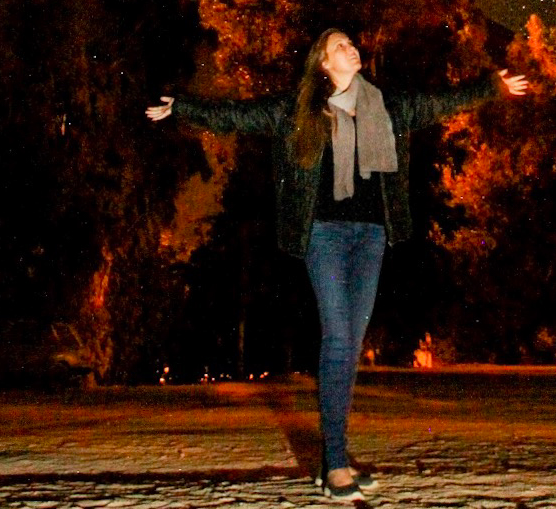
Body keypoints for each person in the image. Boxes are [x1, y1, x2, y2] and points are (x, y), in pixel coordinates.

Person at [147, 28, 527, 502]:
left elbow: (438, 103)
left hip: (370, 235)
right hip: (323, 234)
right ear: (324, 63)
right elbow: (237, 116)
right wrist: (182, 108)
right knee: (338, 337)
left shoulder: (385, 105)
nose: (352, 49)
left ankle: (332, 461)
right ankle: (337, 462)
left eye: (351, 44)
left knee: (350, 346)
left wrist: (491, 86)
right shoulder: (299, 110)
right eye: (341, 46)